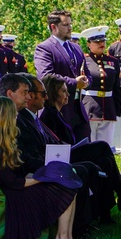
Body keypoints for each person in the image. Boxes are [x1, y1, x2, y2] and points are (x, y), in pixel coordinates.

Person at [20, 74, 121, 232]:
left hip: (64, 153)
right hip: (57, 158)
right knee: (102, 147)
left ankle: (106, 212)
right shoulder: (48, 115)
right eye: (64, 91)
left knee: (104, 162)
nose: (68, 94)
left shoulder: (55, 114)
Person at [0, 97, 78, 239]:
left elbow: (23, 167)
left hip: (18, 188)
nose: (17, 117)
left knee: (67, 182)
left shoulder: (4, 141)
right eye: (13, 114)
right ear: (4, 117)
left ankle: (66, 237)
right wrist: (43, 178)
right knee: (64, 188)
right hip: (14, 196)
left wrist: (47, 171)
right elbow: (14, 183)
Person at [34, 9, 89, 142]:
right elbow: (46, 77)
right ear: (54, 27)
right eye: (65, 25)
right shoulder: (44, 48)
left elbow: (86, 73)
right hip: (57, 110)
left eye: (70, 24)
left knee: (84, 150)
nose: (70, 28)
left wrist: (86, 82)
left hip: (78, 109)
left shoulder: (76, 48)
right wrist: (74, 83)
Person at [79, 27, 121, 144]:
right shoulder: (83, 61)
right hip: (89, 107)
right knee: (89, 144)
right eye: (97, 42)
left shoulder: (113, 62)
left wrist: (117, 110)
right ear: (89, 44)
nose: (101, 44)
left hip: (108, 108)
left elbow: (116, 88)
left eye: (103, 41)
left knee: (106, 145)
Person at [39, 75, 78, 145]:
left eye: (67, 91)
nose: (68, 94)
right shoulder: (50, 116)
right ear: (53, 93)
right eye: (64, 91)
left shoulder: (56, 113)